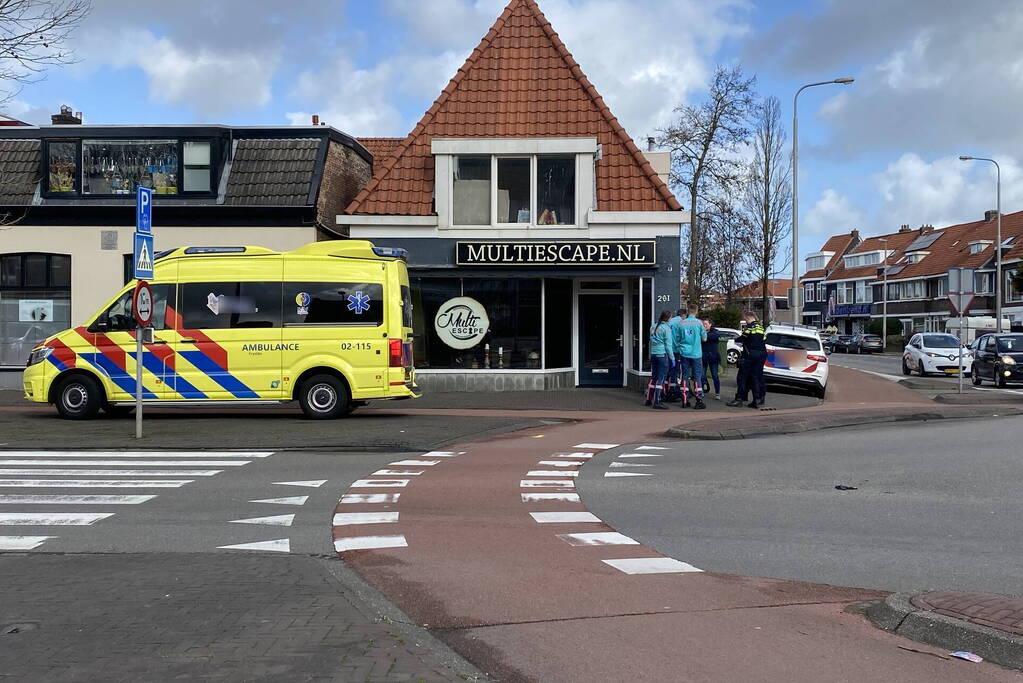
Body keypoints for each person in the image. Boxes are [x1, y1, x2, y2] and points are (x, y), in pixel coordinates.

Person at [727, 311, 767, 409]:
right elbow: (764, 339)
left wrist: (736, 340)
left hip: (749, 355)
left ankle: (739, 399)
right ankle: (758, 399)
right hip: (761, 355)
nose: (746, 322)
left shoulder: (749, 328)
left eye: (746, 320)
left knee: (742, 377)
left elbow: (741, 339)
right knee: (756, 377)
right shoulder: (761, 328)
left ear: (749, 318)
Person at [674, 306, 707, 409]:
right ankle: (699, 400)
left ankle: (684, 400)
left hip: (684, 353)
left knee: (684, 375)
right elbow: (704, 338)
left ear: (688, 312)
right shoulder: (699, 323)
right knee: (697, 376)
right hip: (696, 353)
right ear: (696, 312)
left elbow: (678, 338)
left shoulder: (681, 323)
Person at [645, 310, 675, 410]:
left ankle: (649, 399)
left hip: (653, 354)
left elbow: (651, 339)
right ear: (668, 318)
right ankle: (657, 401)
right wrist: (672, 359)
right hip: (662, 355)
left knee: (654, 377)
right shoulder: (666, 328)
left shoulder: (653, 326)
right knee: (661, 378)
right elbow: (668, 345)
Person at [702, 319, 721, 400]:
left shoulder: (715, 332)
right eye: (703, 324)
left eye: (706, 324)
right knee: (702, 375)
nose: (704, 325)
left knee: (715, 375)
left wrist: (704, 335)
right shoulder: (701, 332)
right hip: (703, 357)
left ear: (710, 324)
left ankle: (717, 393)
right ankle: (701, 391)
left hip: (713, 357)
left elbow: (714, 336)